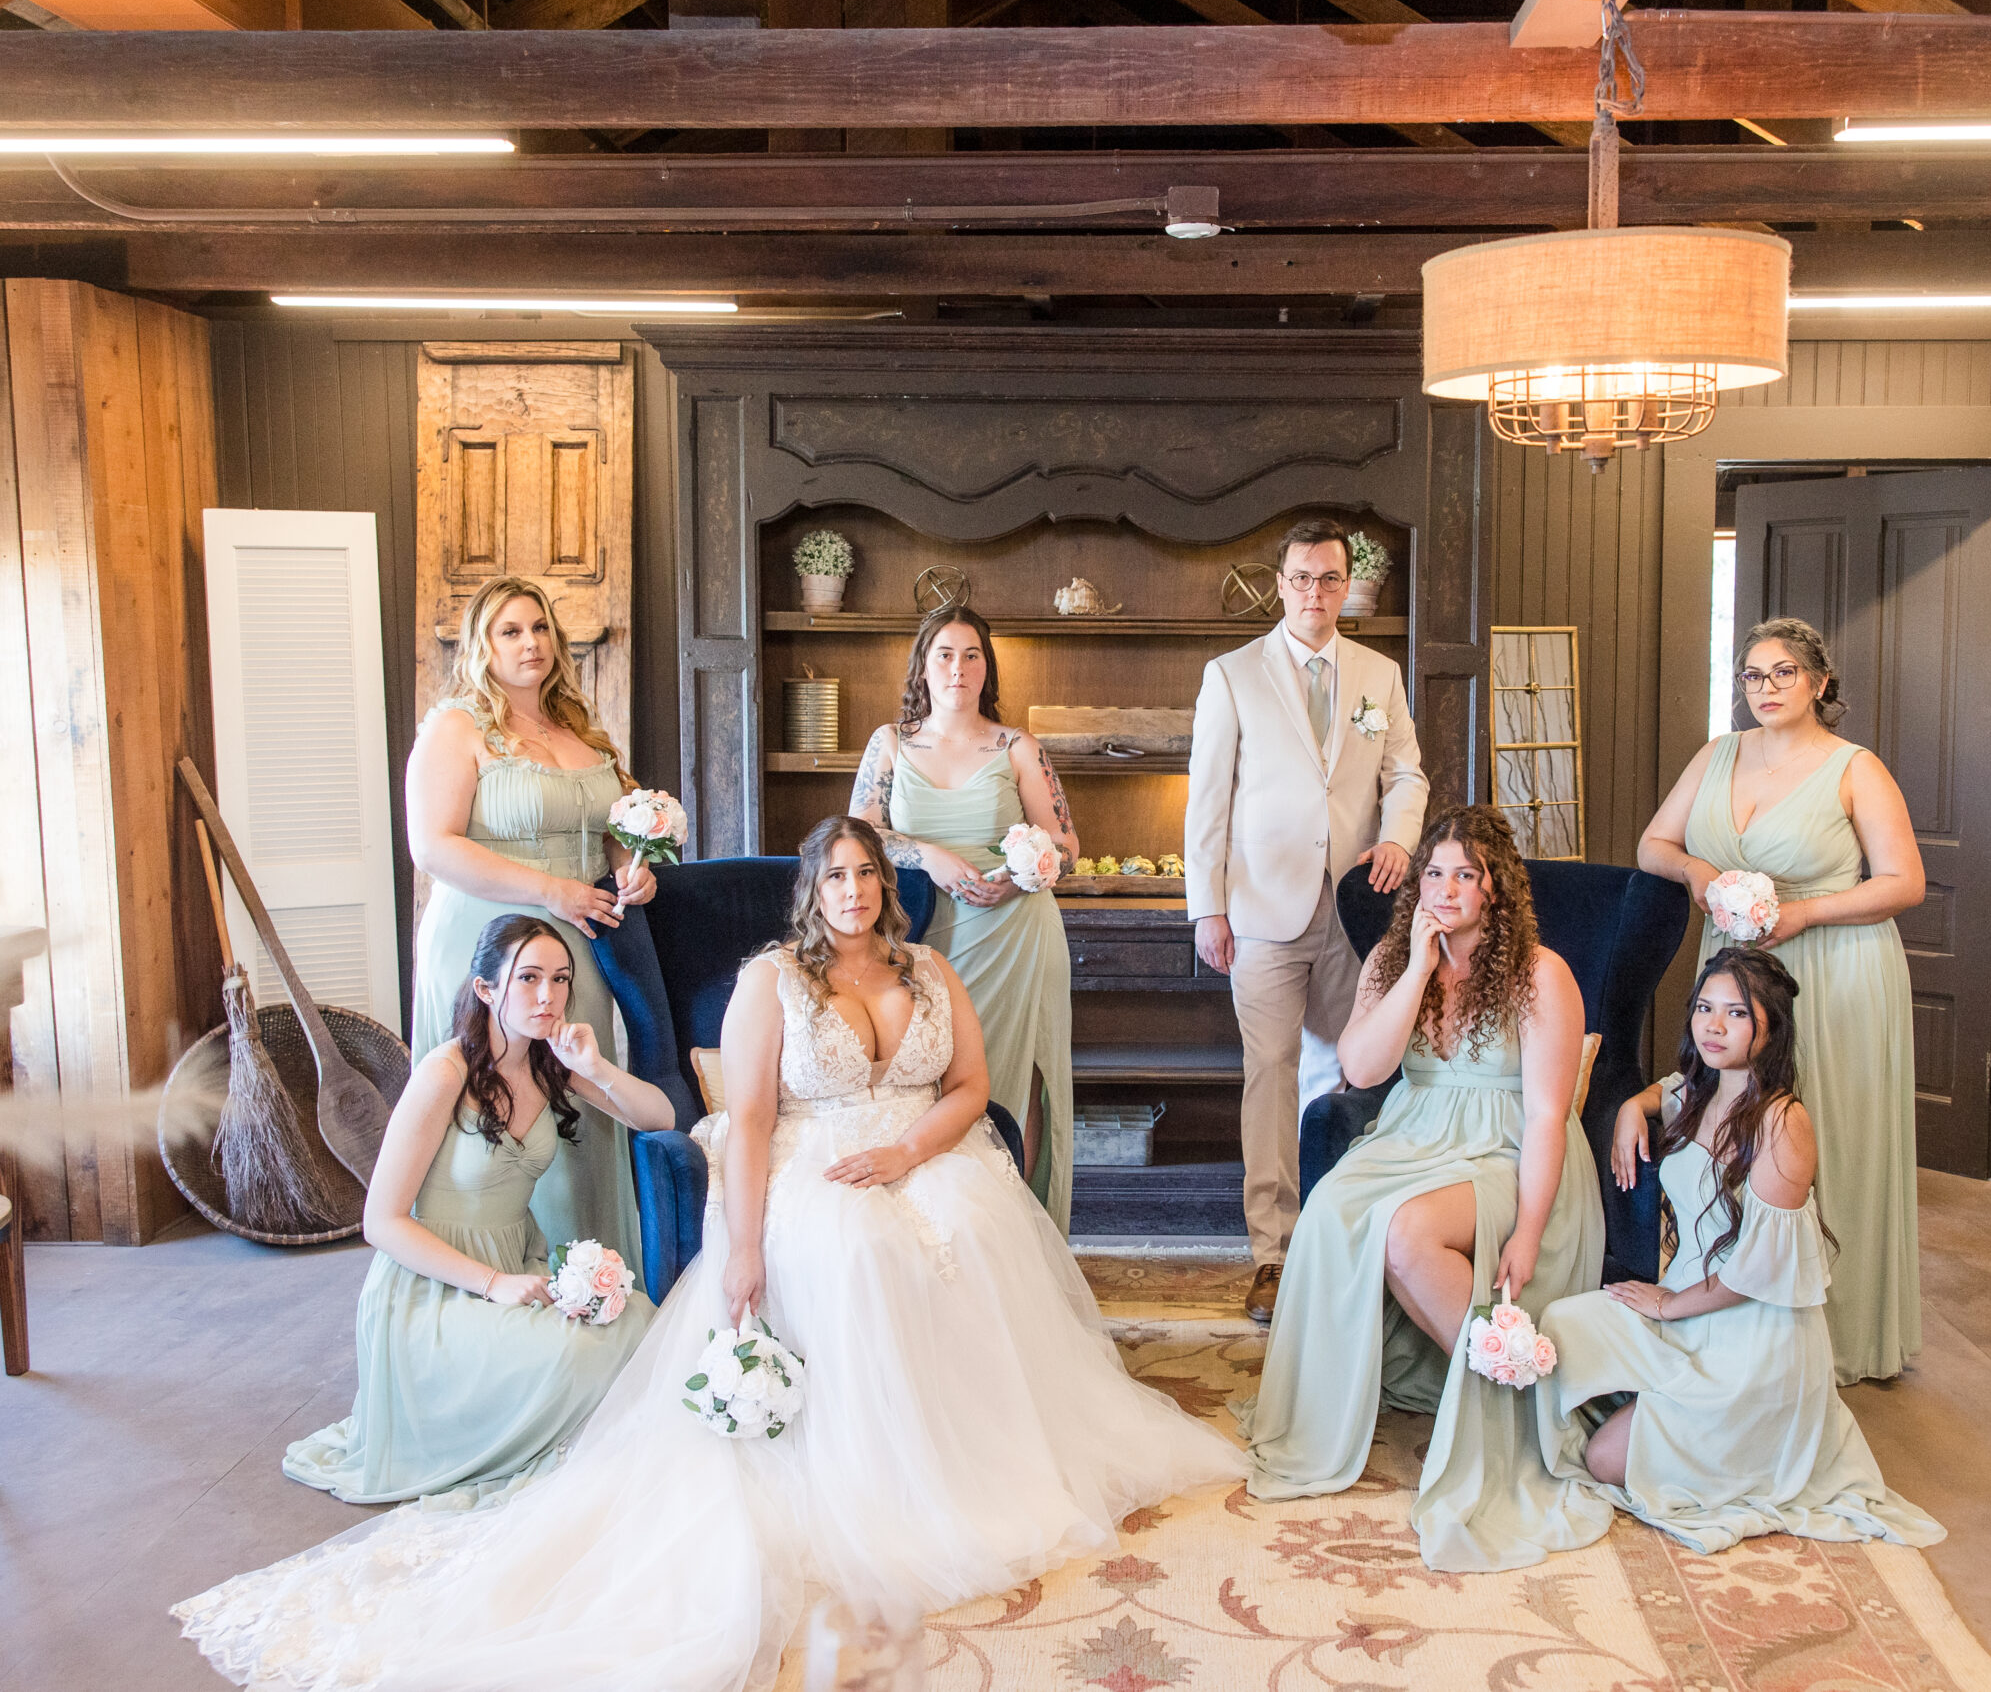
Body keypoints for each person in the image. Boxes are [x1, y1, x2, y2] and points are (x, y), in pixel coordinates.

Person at [175, 817, 1243, 1691]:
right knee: (853, 1253)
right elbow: (744, 1121)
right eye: (835, 875)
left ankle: (991, 1459)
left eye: (868, 873)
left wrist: (914, 1143)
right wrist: (741, 1248)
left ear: (889, 888)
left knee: (973, 1223)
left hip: (927, 1150)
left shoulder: (932, 973)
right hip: (806, 1158)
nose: (854, 890)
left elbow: (967, 1087)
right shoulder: (768, 982)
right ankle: (882, 1480)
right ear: (811, 893)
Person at [1241, 806, 1604, 1571]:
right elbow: (1365, 1070)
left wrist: (1530, 1228)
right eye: (1433, 871)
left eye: (1465, 873)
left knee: (1406, 1232)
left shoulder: (1542, 974)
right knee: (1332, 1211)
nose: (1445, 887)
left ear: (1496, 889)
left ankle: (1507, 1395)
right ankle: (1334, 1400)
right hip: (1416, 1134)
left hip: (1509, 1152)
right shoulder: (1389, 961)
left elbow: (1545, 1117)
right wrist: (1412, 965)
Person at [1532, 947, 1942, 1554]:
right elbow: (1658, 1095)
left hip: (1750, 1340)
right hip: (1688, 1313)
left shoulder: (1782, 1122)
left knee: (1601, 1458)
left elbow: (1757, 1272)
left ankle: (1714, 1432)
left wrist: (1669, 1305)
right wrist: (1627, 1111)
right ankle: (1660, 1407)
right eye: (1704, 1008)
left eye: (1736, 1014)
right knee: (1561, 1324)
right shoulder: (1698, 1091)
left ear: (1771, 1027)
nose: (1713, 1027)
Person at [284, 915, 674, 1505]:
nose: (549, 997)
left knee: (639, 1322)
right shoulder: (445, 1072)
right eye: (529, 979)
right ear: (487, 989)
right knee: (574, 1354)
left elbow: (660, 1118)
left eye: (561, 979)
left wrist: (597, 1068)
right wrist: (493, 1284)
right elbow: (381, 1222)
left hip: (520, 1261)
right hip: (434, 1290)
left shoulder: (554, 1064)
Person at [1636, 617, 1924, 1384]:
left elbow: (1905, 881)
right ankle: (1739, 1309)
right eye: (1753, 675)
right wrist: (1700, 874)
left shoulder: (1855, 767)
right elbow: (1650, 845)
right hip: (1737, 970)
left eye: (1783, 673)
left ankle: (1838, 1330)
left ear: (1820, 684)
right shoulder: (1716, 753)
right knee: (1739, 1131)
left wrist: (1800, 913)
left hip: (1834, 964)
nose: (1765, 688)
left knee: (1828, 1131)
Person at [1187, 520, 1428, 1323]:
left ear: (1345, 585)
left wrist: (1397, 838)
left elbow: (1405, 773)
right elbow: (1208, 800)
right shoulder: (1231, 675)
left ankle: (1356, 1231)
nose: (1315, 592)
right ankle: (1273, 1251)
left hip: (1361, 909)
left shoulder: (1378, 673)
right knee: (1272, 1073)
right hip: (1261, 908)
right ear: (1280, 582)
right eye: (1301, 578)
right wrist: (1208, 906)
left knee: (1369, 1067)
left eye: (1329, 579)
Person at [405, 576, 658, 1278]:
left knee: (577, 1102)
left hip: (579, 942)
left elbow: (615, 830)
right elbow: (433, 846)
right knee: (490, 1119)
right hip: (486, 939)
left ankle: (594, 1280)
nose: (531, 643)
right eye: (511, 630)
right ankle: (491, 1283)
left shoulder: (580, 729)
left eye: (541, 628)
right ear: (481, 646)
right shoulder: (456, 727)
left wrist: (633, 869)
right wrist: (555, 889)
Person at [849, 605, 1080, 1230]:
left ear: (987, 668)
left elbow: (1065, 846)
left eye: (971, 655)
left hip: (1017, 932)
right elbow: (860, 839)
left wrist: (1019, 877)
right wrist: (927, 855)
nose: (958, 667)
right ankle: (942, 1231)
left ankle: (1021, 1232)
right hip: (922, 933)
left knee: (1016, 1081)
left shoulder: (1016, 748)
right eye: (945, 654)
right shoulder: (890, 742)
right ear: (924, 667)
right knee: (930, 1080)